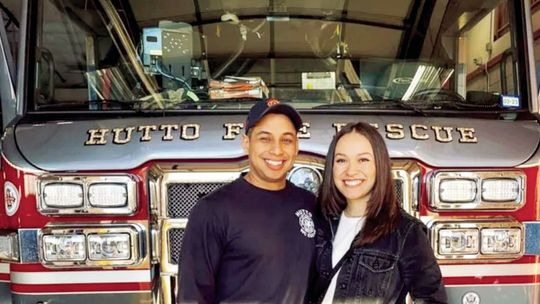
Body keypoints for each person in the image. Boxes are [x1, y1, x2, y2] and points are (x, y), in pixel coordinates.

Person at [177, 98, 317, 303]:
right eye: (265, 139)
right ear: (246, 143)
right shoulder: (212, 210)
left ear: (296, 146)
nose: (277, 150)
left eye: (286, 140)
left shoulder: (309, 204)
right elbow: (192, 296)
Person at [309, 122, 447, 304]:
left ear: (379, 166)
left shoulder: (406, 232)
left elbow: (432, 298)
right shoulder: (318, 221)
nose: (351, 171)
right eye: (341, 160)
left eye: (363, 160)